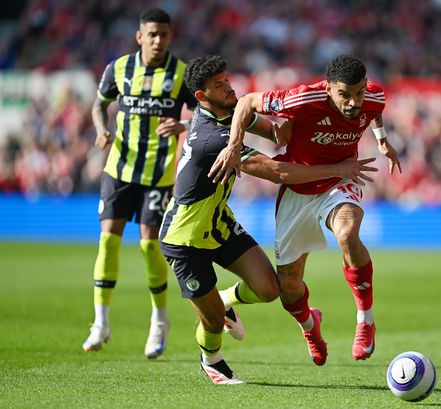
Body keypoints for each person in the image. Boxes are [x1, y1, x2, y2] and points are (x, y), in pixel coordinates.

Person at [159, 54, 378, 384]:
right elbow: (278, 172)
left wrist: (287, 129)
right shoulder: (212, 140)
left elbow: (277, 135)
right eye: (218, 85)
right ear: (202, 97)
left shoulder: (229, 113)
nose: (228, 87)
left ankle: (225, 300)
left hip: (218, 224)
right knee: (214, 323)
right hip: (184, 237)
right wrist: (338, 168)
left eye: (226, 79)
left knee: (270, 288)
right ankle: (212, 361)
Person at [210, 54, 401, 365]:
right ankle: (310, 328)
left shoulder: (375, 96)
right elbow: (245, 103)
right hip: (297, 189)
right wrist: (234, 145)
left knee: (348, 231)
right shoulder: (303, 98)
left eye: (358, 93)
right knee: (288, 287)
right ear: (328, 89)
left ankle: (365, 319)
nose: (353, 103)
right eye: (344, 94)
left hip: (339, 179)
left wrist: (382, 141)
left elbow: (375, 112)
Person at [82, 8, 198, 358]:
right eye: (152, 34)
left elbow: (204, 116)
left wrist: (183, 126)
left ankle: (159, 321)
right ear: (139, 37)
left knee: (150, 246)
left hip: (159, 173)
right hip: (119, 168)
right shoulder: (118, 69)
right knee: (108, 242)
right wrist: (102, 129)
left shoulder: (181, 74)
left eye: (163, 34)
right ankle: (101, 322)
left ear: (170, 36)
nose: (158, 40)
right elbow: (98, 105)